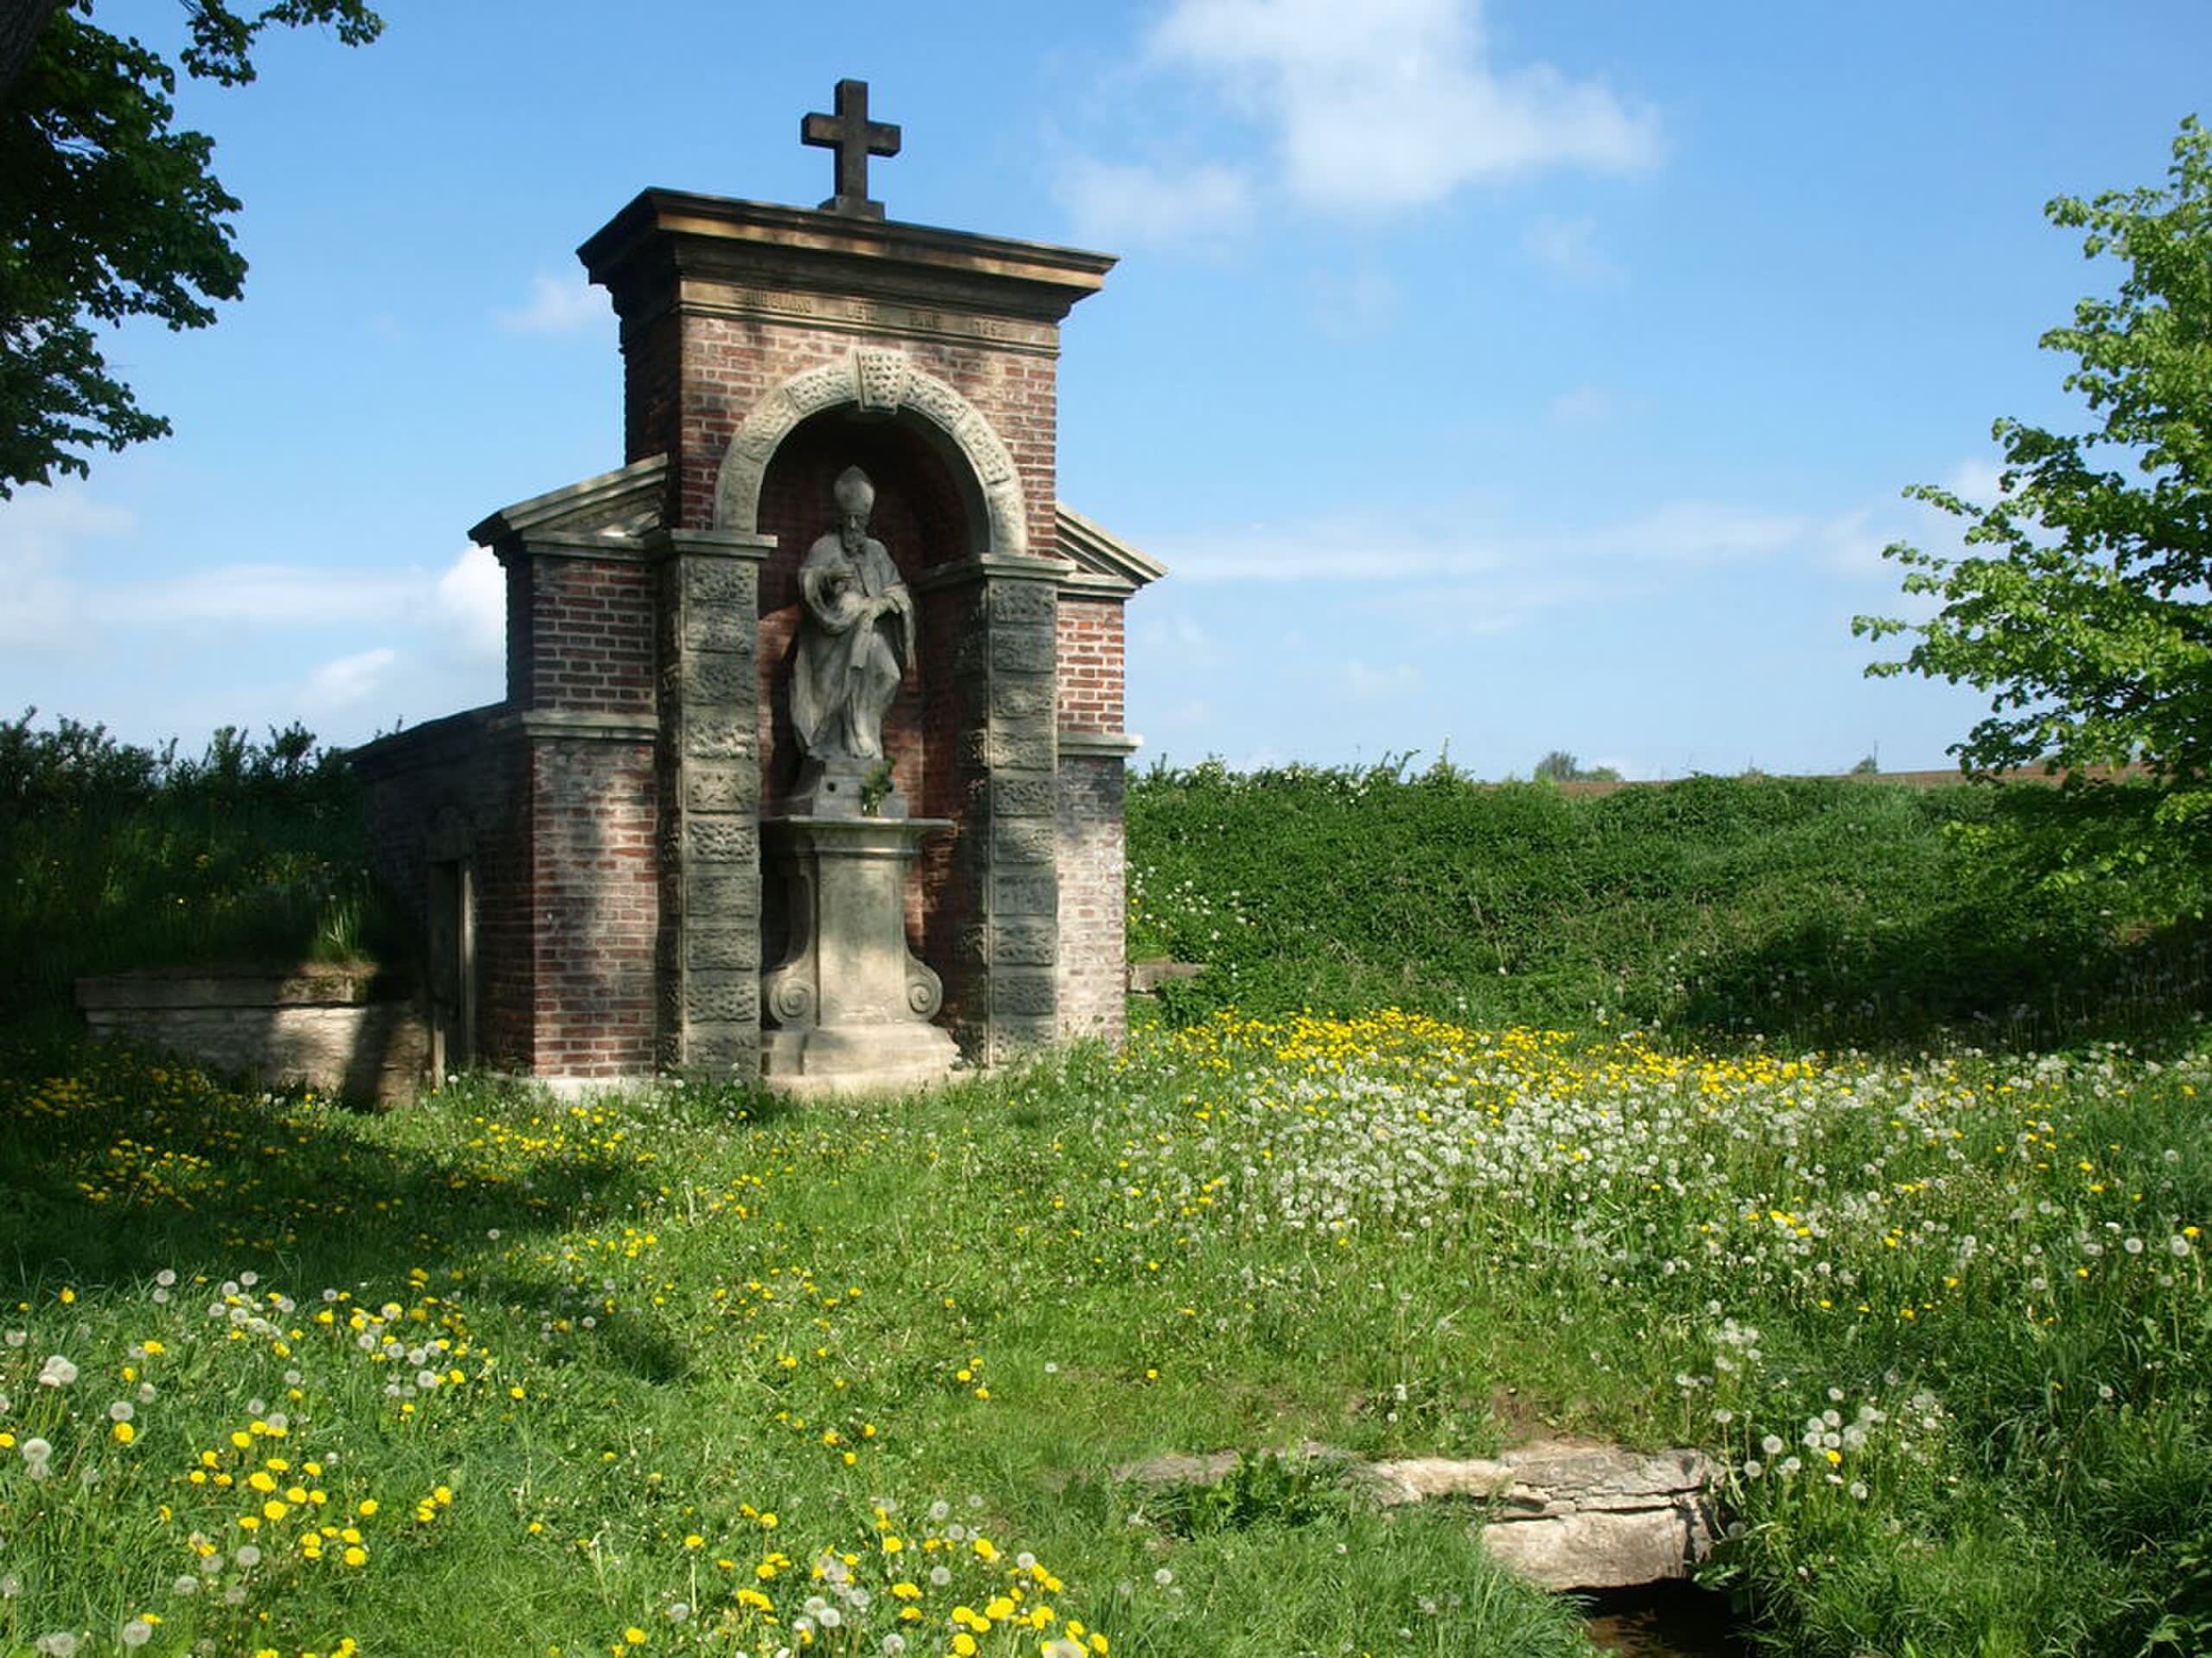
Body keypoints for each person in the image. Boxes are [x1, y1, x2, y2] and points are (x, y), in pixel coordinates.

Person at [791, 466, 914, 760]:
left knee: (889, 674)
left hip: (871, 631)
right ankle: (840, 740)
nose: (855, 526)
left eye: (861, 519)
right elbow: (807, 580)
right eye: (849, 519)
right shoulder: (825, 546)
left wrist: (883, 604)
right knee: (844, 676)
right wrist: (828, 578)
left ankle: (865, 733)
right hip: (835, 637)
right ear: (839, 518)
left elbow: (898, 589)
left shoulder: (877, 551)